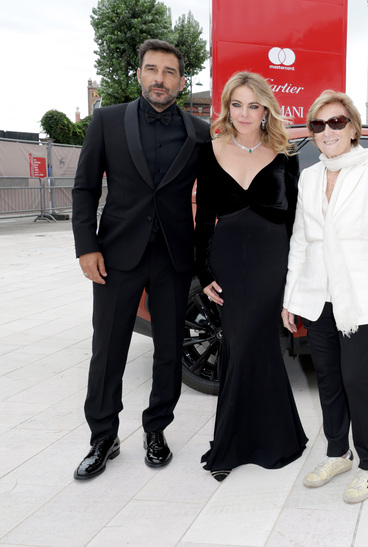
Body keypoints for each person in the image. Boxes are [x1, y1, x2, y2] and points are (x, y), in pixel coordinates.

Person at [71, 39, 211, 480]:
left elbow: (206, 206)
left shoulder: (199, 132)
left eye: (169, 72)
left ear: (181, 81)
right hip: (115, 255)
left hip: (173, 258)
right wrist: (86, 245)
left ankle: (156, 431)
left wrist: (204, 263)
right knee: (108, 350)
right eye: (152, 69)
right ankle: (102, 438)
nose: (159, 78)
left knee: (169, 351)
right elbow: (84, 188)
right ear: (139, 74)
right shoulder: (107, 121)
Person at [281, 90, 368, 504]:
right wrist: (290, 297)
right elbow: (300, 240)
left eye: (336, 122)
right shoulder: (310, 176)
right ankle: (338, 452)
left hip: (364, 294)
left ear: (353, 127)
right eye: (318, 125)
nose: (327, 131)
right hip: (319, 295)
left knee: (359, 379)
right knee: (330, 380)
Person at [194, 72, 307, 482]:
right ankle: (241, 441)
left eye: (253, 105)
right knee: (238, 346)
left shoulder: (286, 154)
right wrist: (203, 271)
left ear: (265, 110)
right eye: (237, 104)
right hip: (227, 260)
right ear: (228, 107)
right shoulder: (210, 150)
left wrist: (295, 277)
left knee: (256, 346)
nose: (244, 113)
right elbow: (205, 216)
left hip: (271, 261)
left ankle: (267, 439)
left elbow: (297, 222)